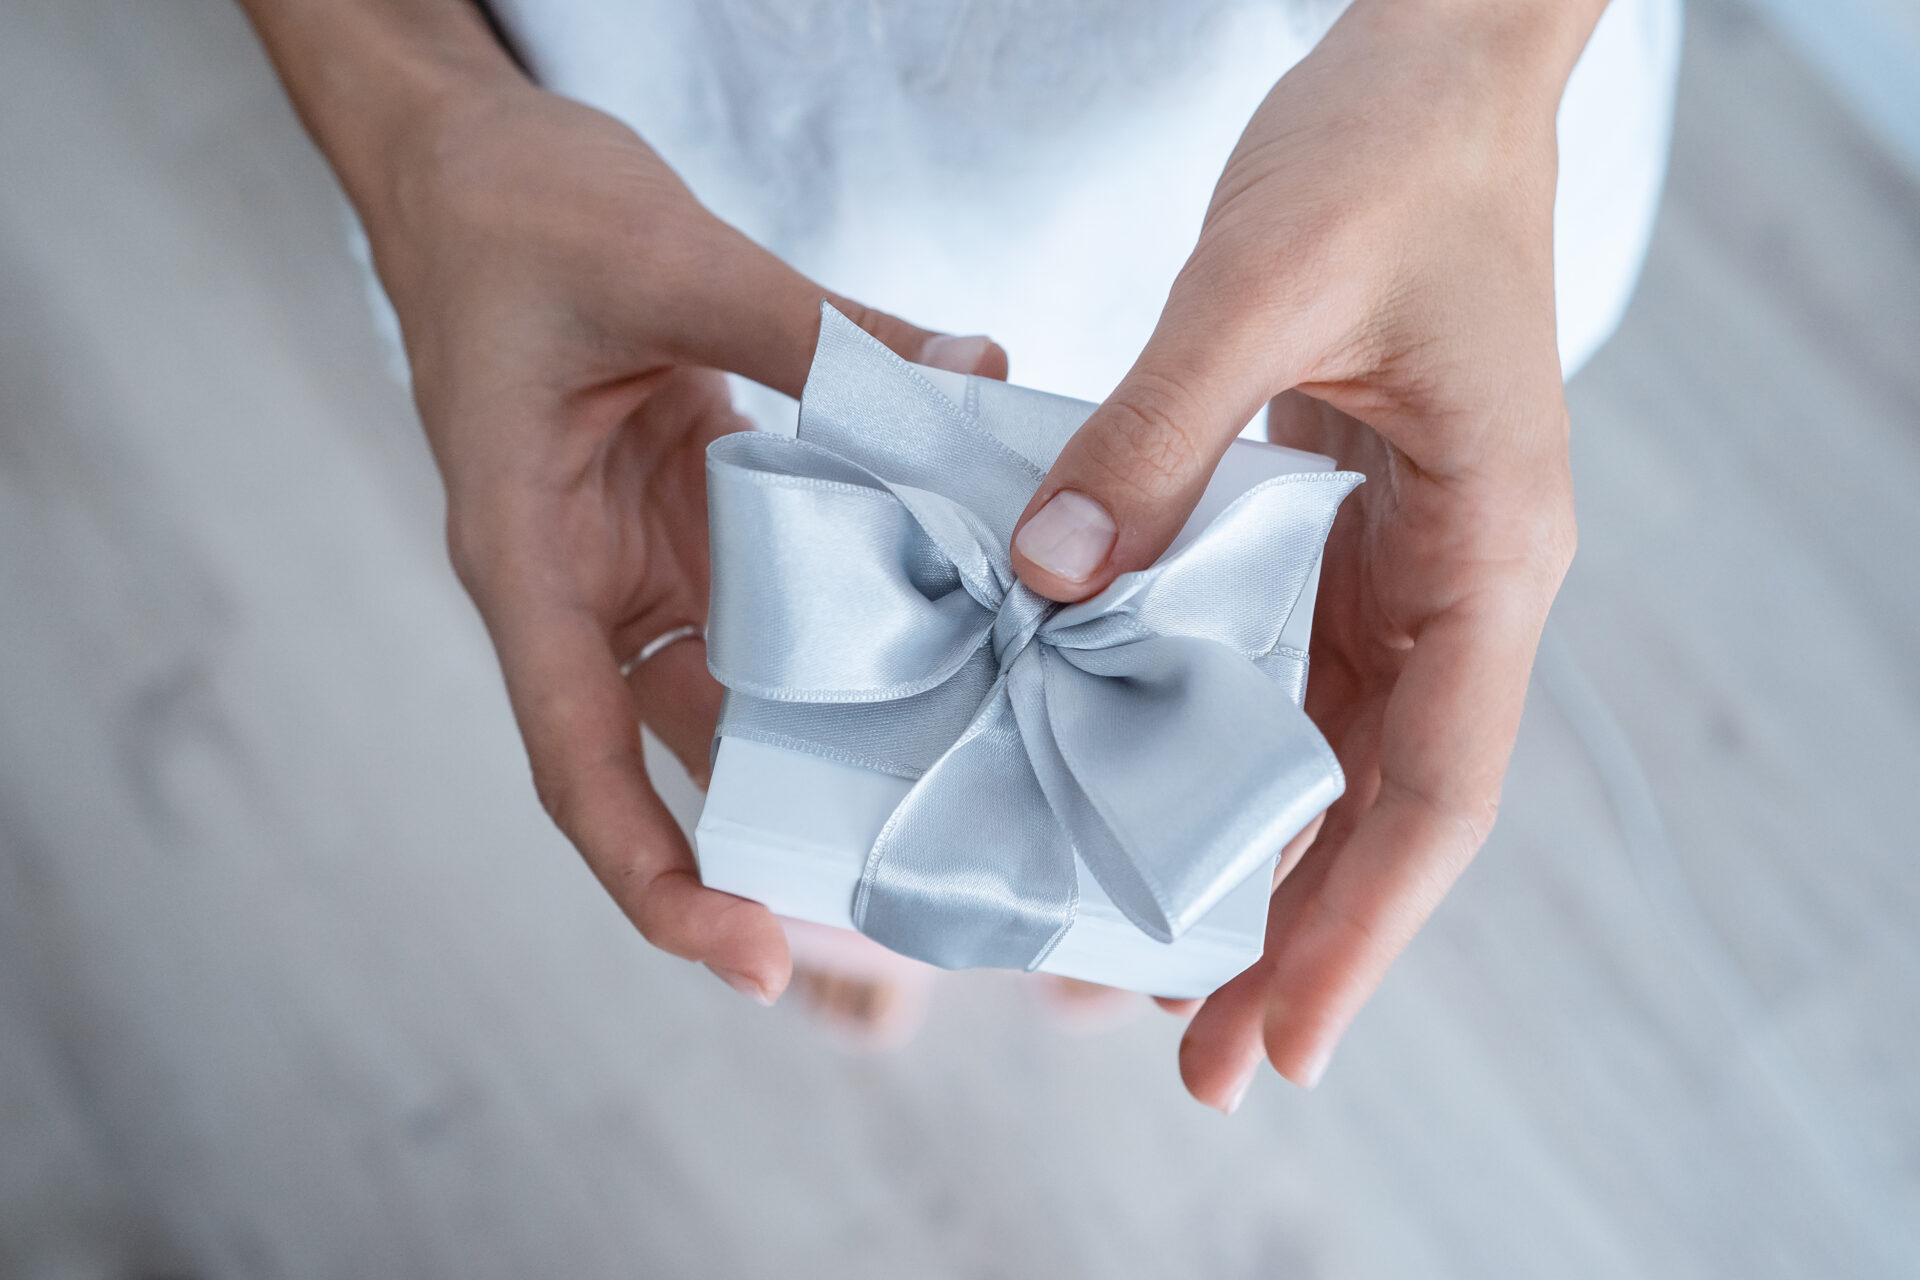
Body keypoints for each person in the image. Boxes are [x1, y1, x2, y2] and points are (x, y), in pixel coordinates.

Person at [236, 0, 1680, 1111]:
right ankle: (999, 901)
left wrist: (1481, 55)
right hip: (675, 177)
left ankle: (1076, 893)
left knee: (1188, 786)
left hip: (1357, 136)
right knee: (802, 761)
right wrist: (417, 118)